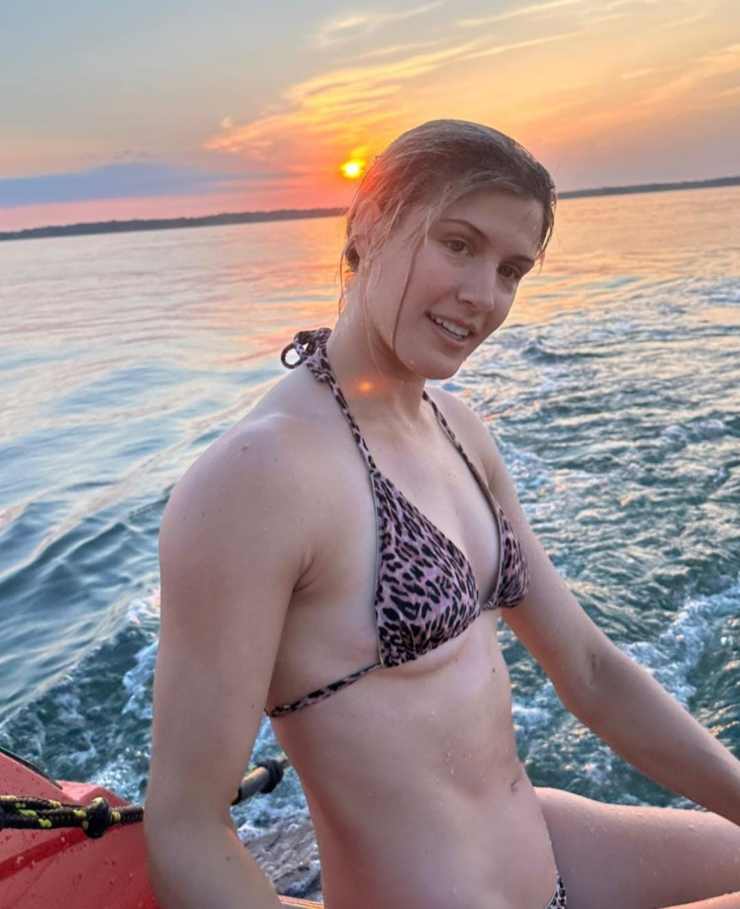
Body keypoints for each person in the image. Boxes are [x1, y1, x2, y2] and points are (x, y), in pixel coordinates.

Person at [142, 120, 740, 908]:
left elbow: (591, 671)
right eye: (458, 244)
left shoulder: (457, 429)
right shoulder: (262, 477)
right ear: (369, 223)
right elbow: (186, 824)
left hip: (548, 849)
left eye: (511, 269)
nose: (483, 296)